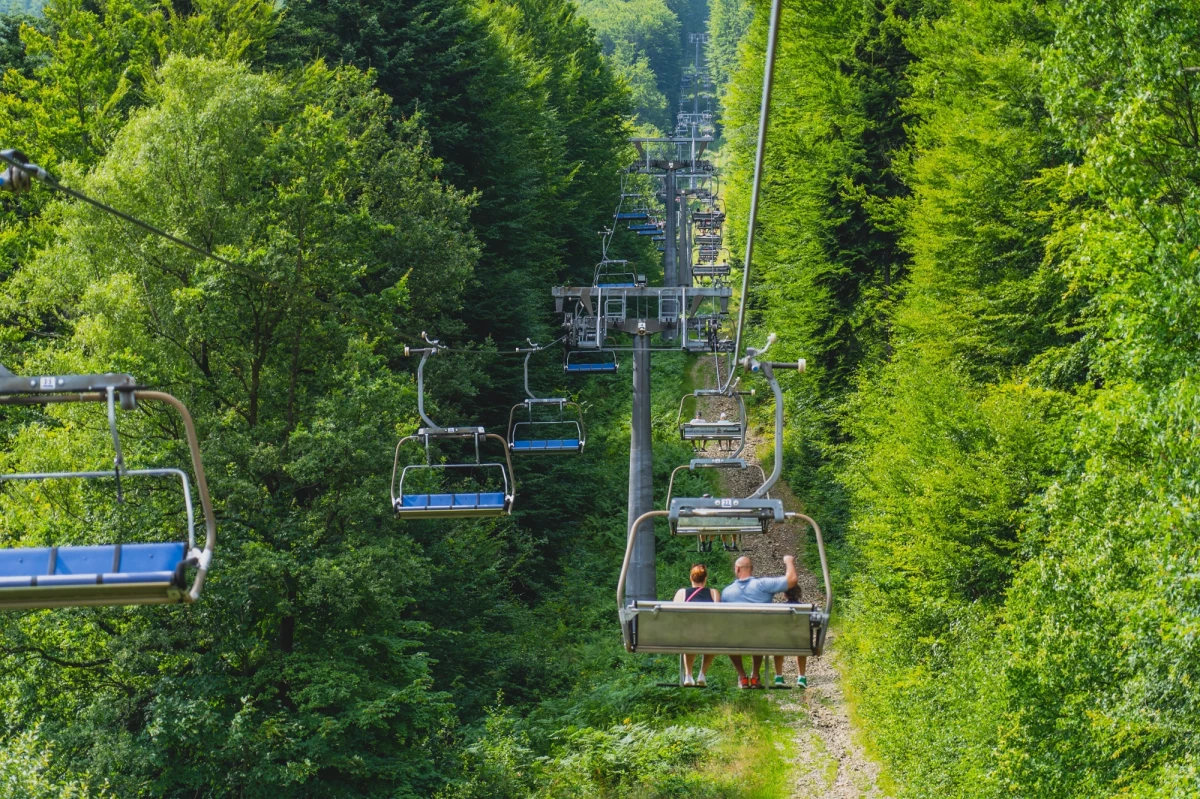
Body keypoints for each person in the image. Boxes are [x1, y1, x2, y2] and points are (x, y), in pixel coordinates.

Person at [722, 555, 797, 689]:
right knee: (759, 632)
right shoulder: (763, 585)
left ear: (737, 569)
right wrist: (789, 561)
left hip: (736, 639)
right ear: (752, 569)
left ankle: (742, 676)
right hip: (761, 638)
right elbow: (792, 580)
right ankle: (755, 675)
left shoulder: (727, 592)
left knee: (729, 636)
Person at [672, 564, 720, 686]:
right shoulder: (714, 593)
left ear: (691, 578)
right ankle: (702, 674)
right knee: (712, 638)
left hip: (688, 636)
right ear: (705, 578)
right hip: (709, 636)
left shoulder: (682, 593)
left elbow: (674, 616)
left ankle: (688, 675)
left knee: (688, 635)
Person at [773, 584, 808, 689]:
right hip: (799, 643)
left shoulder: (779, 609)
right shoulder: (805, 609)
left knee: (779, 644)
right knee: (801, 643)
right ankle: (801, 677)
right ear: (799, 594)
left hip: (782, 642)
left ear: (785, 595)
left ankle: (778, 676)